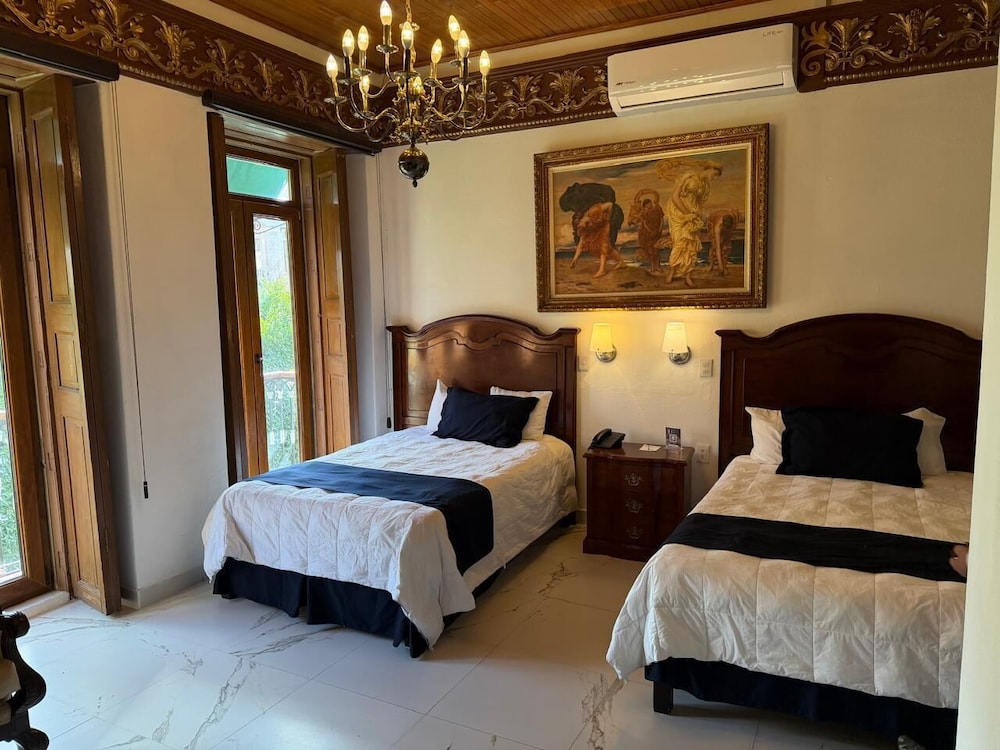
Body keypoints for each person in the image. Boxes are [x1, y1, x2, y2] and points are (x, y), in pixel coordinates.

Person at [661, 162, 722, 288]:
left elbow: (699, 204)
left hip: (693, 216)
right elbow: (675, 197)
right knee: (679, 244)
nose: (714, 178)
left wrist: (697, 216)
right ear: (709, 168)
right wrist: (687, 214)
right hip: (679, 213)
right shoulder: (689, 176)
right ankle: (672, 272)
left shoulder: (706, 186)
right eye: (715, 174)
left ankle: (688, 276)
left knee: (691, 246)